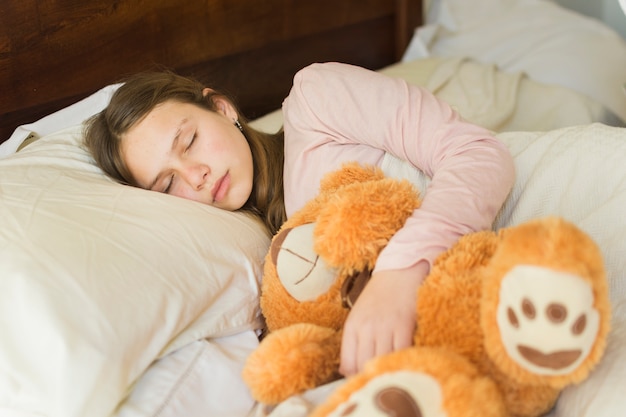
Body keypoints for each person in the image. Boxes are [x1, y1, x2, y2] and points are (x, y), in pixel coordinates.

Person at [84, 62, 515, 378]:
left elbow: (476, 152)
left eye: (191, 141)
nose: (195, 176)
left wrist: (400, 273)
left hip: (528, 199)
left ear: (222, 107)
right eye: (166, 185)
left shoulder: (315, 99)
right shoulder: (266, 254)